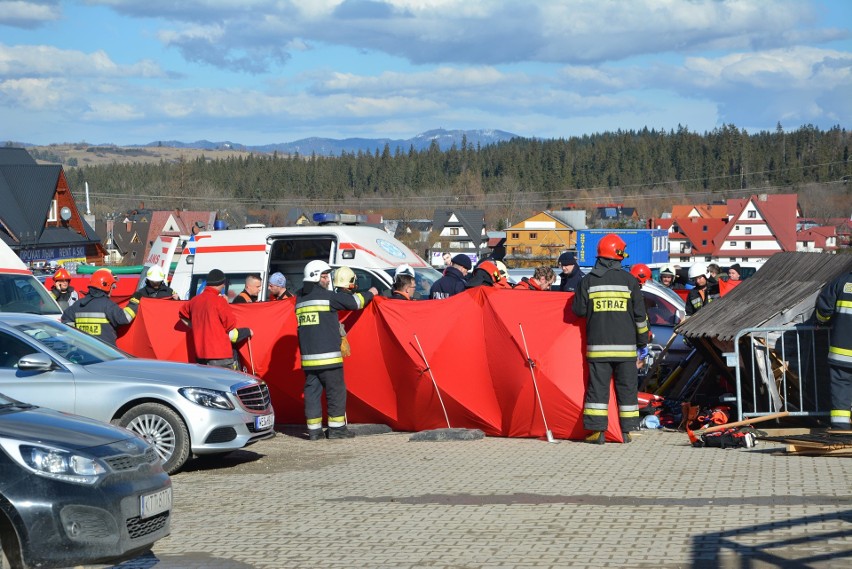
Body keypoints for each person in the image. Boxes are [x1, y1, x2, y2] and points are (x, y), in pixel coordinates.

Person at [572, 233, 650, 444]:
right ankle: (628, 430)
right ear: (618, 255)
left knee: (598, 390)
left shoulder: (587, 281)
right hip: (626, 350)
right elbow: (640, 318)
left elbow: (578, 310)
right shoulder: (629, 281)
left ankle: (597, 432)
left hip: (598, 349)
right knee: (627, 389)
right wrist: (642, 344)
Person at [296, 260, 377, 440]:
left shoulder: (300, 299)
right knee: (336, 392)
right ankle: (337, 429)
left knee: (312, 394)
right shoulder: (328, 297)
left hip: (308, 360)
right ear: (316, 277)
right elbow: (356, 302)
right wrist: (371, 293)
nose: (327, 280)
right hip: (329, 358)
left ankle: (314, 432)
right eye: (324, 276)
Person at [178, 269, 252, 368]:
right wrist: (226, 304)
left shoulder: (194, 301)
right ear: (222, 283)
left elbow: (182, 314)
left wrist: (194, 326)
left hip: (200, 354)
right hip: (220, 355)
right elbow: (230, 325)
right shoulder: (220, 301)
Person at [815, 271, 852, 430]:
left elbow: (824, 310)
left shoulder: (841, 282)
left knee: (841, 391)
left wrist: (821, 322)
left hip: (842, 352)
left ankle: (841, 430)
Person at [61, 268, 132, 346]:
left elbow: (65, 319)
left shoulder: (78, 305)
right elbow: (124, 318)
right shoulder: (107, 305)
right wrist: (134, 302)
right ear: (106, 285)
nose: (112, 290)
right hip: (106, 352)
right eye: (112, 287)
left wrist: (77, 334)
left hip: (84, 351)